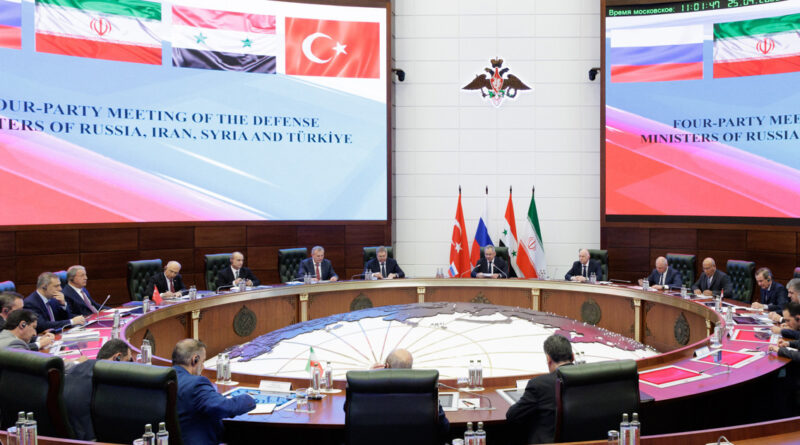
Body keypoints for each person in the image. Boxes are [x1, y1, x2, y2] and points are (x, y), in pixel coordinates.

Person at [172, 339, 255, 445]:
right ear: (195, 359)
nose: (203, 366)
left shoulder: (162, 379)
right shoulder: (196, 383)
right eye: (203, 361)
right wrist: (249, 398)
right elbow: (223, 407)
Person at [361, 348, 449, 442]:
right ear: (410, 369)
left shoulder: (367, 394)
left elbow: (352, 415)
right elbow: (444, 428)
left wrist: (369, 378)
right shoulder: (425, 391)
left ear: (386, 366)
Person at [506, 334, 574, 445]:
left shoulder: (539, 385)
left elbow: (512, 416)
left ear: (548, 359)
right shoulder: (589, 379)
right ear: (573, 356)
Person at [63, 339, 133, 440]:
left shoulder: (76, 369)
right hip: (89, 438)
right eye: (128, 361)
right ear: (117, 357)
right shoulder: (109, 379)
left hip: (63, 436)